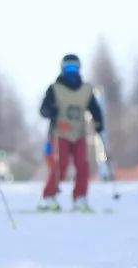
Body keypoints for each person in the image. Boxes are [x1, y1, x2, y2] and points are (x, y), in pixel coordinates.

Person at [37, 54, 104, 212]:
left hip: (79, 133)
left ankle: (80, 198)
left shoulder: (86, 89)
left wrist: (99, 122)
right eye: (68, 68)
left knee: (83, 165)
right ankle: (48, 197)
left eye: (74, 68)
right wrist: (50, 111)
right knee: (61, 165)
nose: (71, 71)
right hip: (60, 133)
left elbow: (94, 108)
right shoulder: (55, 88)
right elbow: (43, 109)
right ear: (63, 69)